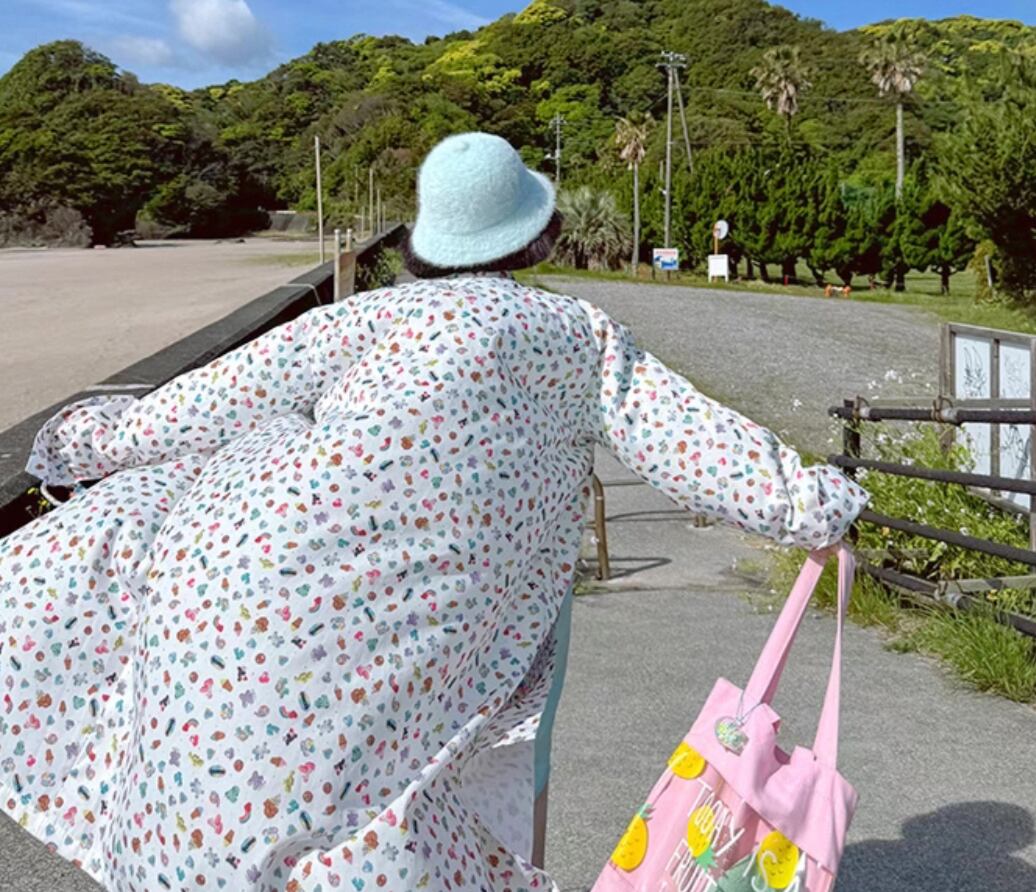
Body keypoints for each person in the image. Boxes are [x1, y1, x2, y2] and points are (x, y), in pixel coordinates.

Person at [0, 132, 869, 892]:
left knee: (260, 809)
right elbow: (696, 444)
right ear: (536, 234)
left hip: (237, 584)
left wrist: (81, 442)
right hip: (419, 624)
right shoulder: (578, 334)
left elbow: (202, 403)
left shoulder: (363, 318)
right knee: (401, 796)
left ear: (428, 239)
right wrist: (818, 507)